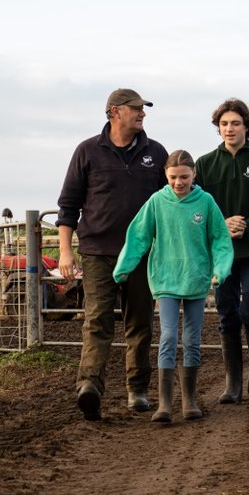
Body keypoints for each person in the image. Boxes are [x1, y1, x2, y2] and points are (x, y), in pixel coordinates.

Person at [55, 88, 169, 421]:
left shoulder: (156, 153)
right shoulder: (88, 151)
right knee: (97, 320)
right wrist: (65, 251)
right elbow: (68, 206)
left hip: (142, 254)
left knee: (140, 323)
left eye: (143, 109)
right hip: (98, 253)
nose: (142, 113)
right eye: (136, 108)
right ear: (115, 111)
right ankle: (89, 387)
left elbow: (172, 199)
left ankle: (137, 389)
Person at [114, 150, 233, 422]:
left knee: (192, 339)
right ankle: (165, 403)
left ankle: (189, 400)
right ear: (166, 176)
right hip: (166, 278)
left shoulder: (206, 202)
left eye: (184, 177)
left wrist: (221, 268)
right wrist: (124, 266)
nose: (179, 182)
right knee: (168, 336)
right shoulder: (157, 201)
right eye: (173, 177)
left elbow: (219, 238)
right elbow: (138, 235)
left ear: (194, 175)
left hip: (195, 278)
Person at [195, 99, 249, 404]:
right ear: (218, 127)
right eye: (224, 124)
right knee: (227, 312)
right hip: (221, 253)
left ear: (247, 126)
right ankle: (233, 382)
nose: (229, 129)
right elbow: (198, 208)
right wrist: (222, 224)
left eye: (236, 123)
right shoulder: (204, 164)